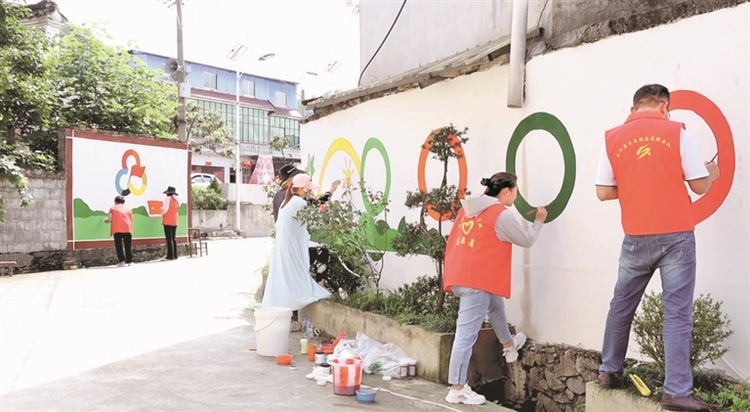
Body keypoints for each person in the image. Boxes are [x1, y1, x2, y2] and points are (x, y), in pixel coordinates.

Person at [595, 84, 720, 412]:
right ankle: (677, 391)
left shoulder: (613, 137)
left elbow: (603, 192)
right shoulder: (678, 133)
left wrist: (639, 183)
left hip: (635, 236)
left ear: (634, 106)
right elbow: (698, 184)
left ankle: (608, 371)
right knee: (677, 312)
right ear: (665, 105)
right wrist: (712, 173)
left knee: (621, 304)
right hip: (676, 234)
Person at [443, 172, 547, 405]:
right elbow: (526, 240)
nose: (517, 195)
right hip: (476, 281)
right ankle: (457, 388)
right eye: (516, 190)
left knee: (496, 306)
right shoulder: (501, 214)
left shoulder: (467, 210)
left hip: (460, 275)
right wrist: (539, 219)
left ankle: (509, 346)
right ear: (505, 191)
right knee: (465, 336)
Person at [262, 173, 332, 311]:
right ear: (303, 189)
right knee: (322, 253)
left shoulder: (286, 203)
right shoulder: (300, 203)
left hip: (284, 251)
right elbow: (316, 223)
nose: (310, 190)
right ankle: (320, 286)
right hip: (292, 252)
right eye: (309, 188)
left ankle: (317, 286)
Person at [105, 195, 133, 267]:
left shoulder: (112, 208)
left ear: (115, 202)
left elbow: (110, 219)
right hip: (127, 228)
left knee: (119, 246)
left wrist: (106, 221)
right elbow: (130, 220)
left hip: (117, 229)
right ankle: (130, 261)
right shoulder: (128, 209)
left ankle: (122, 262)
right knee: (128, 246)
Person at [161, 186, 180, 261]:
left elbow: (165, 209)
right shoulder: (177, 200)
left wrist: (161, 213)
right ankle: (175, 255)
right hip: (175, 220)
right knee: (173, 238)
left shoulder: (167, 199)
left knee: (169, 239)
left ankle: (170, 256)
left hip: (167, 220)